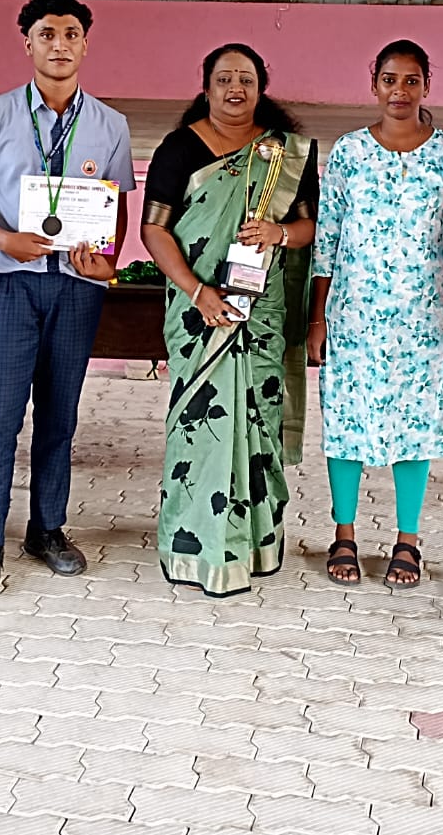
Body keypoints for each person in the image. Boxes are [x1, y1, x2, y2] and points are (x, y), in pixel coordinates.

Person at [0, 0, 134, 595]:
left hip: (76, 291)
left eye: (71, 34)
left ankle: (47, 529)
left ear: (86, 44)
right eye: (47, 34)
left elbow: (115, 204)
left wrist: (105, 261)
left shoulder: (110, 124)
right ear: (27, 42)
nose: (60, 45)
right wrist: (3, 238)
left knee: (59, 418)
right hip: (11, 286)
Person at [140, 44, 317, 597]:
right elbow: (154, 230)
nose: (235, 88)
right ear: (206, 87)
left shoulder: (284, 154)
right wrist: (196, 291)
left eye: (245, 79)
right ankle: (192, 548)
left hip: (260, 310)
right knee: (199, 425)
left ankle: (256, 545)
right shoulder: (179, 148)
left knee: (258, 421)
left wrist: (278, 233)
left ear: (261, 88)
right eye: (224, 79)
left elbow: (309, 229)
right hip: (200, 310)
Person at [308, 40, 443, 590]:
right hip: (353, 315)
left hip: (424, 318)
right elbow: (328, 237)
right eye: (390, 80)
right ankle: (344, 534)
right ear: (374, 84)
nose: (400, 91)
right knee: (346, 423)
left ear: (426, 86)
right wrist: (318, 317)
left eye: (411, 80)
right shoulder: (349, 152)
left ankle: (407, 541)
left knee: (415, 426)